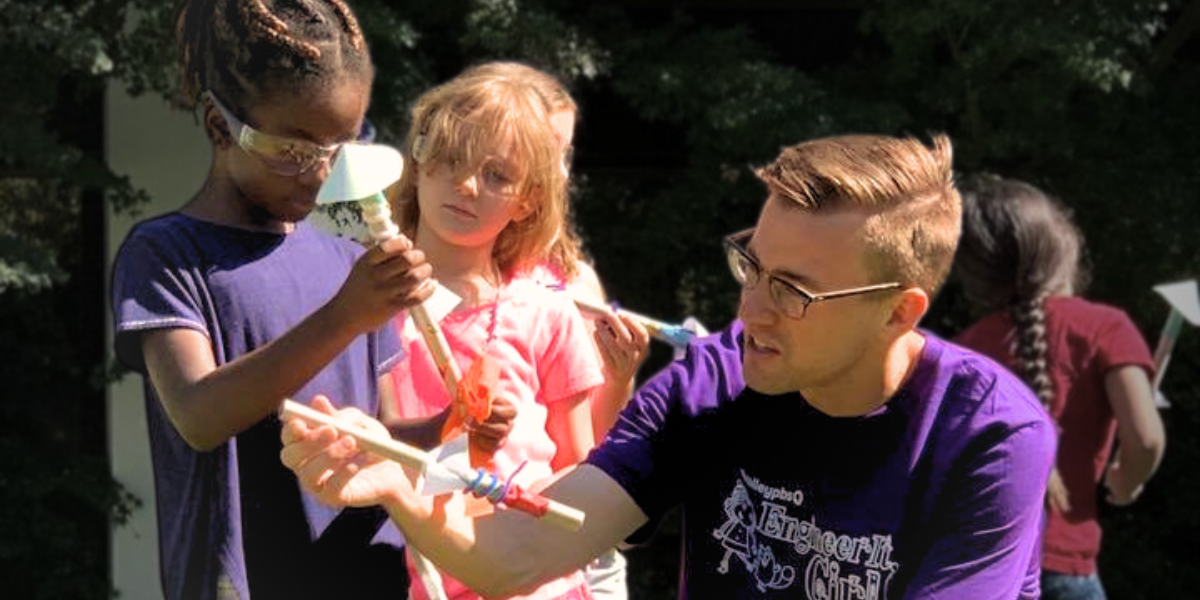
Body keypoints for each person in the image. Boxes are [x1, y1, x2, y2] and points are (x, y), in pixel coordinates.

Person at [281, 133, 1057, 599]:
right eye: (752, 266)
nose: (750, 311)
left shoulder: (988, 434)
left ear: (900, 311)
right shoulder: (715, 382)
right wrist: (401, 487)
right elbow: (523, 552)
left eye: (793, 291)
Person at [108, 1, 456, 598]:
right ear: (221, 127)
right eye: (294, 152)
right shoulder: (167, 254)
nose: (320, 174)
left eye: (339, 149)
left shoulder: (348, 259)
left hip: (364, 574)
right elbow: (198, 416)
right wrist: (346, 315)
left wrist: (454, 425)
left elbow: (382, 434)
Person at [378, 63, 607, 600]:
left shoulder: (547, 310)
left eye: (497, 175)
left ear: (528, 200)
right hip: (401, 576)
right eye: (452, 159)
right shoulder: (365, 303)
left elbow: (582, 467)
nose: (466, 184)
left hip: (535, 586)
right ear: (418, 159)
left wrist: (524, 518)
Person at [448, 61, 648, 600]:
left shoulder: (572, 281)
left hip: (563, 540)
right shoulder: (450, 278)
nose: (558, 168)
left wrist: (621, 378)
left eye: (564, 152)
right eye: (547, 147)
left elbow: (585, 448)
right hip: (466, 540)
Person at [951, 175, 1166, 600]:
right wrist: (1127, 479)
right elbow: (1144, 437)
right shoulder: (1105, 328)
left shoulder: (963, 352)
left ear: (976, 276)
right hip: (1061, 572)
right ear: (1066, 245)